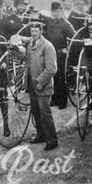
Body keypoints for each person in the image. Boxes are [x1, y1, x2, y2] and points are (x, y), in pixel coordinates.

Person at [15, 20, 58, 150]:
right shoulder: (31, 42)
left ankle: (52, 140)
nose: (33, 33)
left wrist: (40, 82)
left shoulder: (47, 46)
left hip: (42, 85)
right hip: (32, 85)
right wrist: (15, 39)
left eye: (36, 31)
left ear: (41, 31)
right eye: (32, 31)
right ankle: (41, 135)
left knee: (45, 113)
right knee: (36, 112)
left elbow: (51, 68)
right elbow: (22, 38)